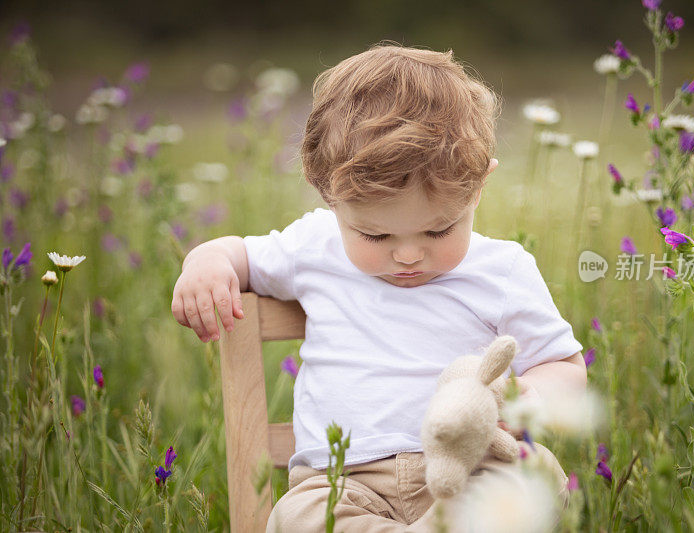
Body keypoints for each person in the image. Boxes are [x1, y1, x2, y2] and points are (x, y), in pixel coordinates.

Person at [172, 43, 586, 532]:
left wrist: (527, 396)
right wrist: (207, 260)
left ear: (478, 187)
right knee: (295, 518)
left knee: (524, 487)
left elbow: (564, 365)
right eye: (375, 235)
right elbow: (239, 256)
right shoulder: (313, 246)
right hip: (342, 482)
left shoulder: (503, 269)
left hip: (472, 469)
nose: (408, 255)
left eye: (438, 231)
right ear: (327, 193)